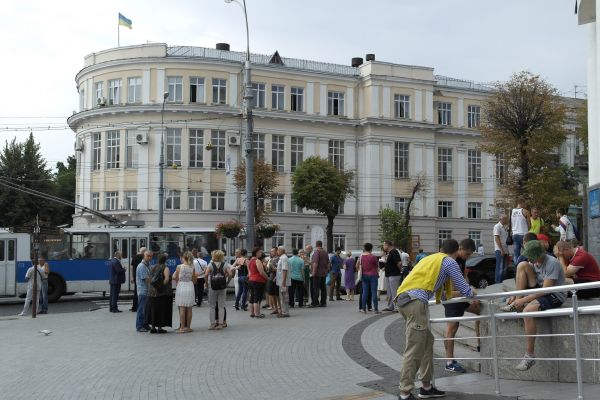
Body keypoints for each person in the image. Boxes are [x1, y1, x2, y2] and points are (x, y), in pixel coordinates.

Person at [396, 239, 475, 400]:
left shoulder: (431, 259)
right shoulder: (449, 261)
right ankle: (404, 392)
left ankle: (426, 387)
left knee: (426, 343)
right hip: (415, 301)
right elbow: (463, 286)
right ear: (455, 251)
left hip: (405, 299)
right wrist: (473, 291)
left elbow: (441, 290)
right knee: (414, 349)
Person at [500, 240, 566, 371]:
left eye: (530, 256)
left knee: (528, 311)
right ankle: (516, 304)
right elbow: (530, 281)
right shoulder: (534, 261)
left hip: (554, 295)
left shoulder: (552, 263)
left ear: (538, 255)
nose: (529, 258)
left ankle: (529, 356)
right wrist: (517, 297)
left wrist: (524, 300)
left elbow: (545, 291)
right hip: (541, 289)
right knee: (522, 265)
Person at [443, 239, 481, 373]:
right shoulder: (449, 260)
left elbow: (463, 275)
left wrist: (469, 291)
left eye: (469, 254)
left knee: (480, 311)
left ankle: (480, 344)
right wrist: (468, 293)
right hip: (452, 297)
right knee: (451, 328)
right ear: (459, 248)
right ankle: (449, 362)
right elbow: (450, 282)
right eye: (466, 253)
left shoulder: (461, 259)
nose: (467, 256)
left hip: (461, 296)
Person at [205, 250, 234, 329]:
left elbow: (206, 274)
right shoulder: (225, 265)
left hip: (212, 287)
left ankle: (212, 324)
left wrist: (206, 283)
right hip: (222, 287)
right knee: (221, 306)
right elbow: (231, 274)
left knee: (212, 306)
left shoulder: (210, 265)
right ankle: (221, 324)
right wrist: (227, 282)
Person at [148, 253, 172, 333]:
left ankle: (153, 327)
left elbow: (150, 279)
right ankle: (159, 328)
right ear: (165, 260)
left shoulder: (152, 267)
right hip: (160, 292)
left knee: (153, 309)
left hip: (151, 292)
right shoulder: (165, 268)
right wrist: (161, 286)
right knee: (160, 310)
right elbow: (166, 279)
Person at [173, 251, 197, 333]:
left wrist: (179, 284)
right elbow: (194, 280)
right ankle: (188, 327)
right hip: (190, 286)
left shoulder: (179, 267)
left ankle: (182, 327)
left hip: (181, 286)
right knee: (189, 308)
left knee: (182, 308)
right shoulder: (192, 267)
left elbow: (176, 278)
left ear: (184, 258)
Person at [358, 242, 380, 314]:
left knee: (365, 292)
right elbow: (377, 267)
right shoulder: (373, 257)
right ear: (371, 248)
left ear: (364, 248)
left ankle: (364, 309)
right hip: (373, 275)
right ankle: (376, 309)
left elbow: (360, 266)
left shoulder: (361, 256)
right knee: (374, 292)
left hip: (364, 275)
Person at [135, 250, 153, 332]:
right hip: (143, 291)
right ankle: (139, 326)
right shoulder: (142, 266)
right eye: (147, 256)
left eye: (150, 256)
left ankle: (145, 324)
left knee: (146, 309)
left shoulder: (148, 265)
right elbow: (146, 279)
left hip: (147, 290)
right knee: (141, 309)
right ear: (144, 256)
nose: (149, 258)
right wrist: (154, 282)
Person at [248, 247, 268, 318]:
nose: (261, 253)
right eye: (260, 252)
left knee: (252, 297)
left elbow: (249, 272)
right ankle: (257, 313)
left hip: (251, 280)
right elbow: (261, 272)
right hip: (258, 281)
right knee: (257, 298)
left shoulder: (250, 260)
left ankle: (252, 313)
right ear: (256, 253)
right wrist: (267, 278)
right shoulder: (257, 261)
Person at [382, 240, 402, 312]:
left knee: (394, 292)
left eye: (384, 245)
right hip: (389, 274)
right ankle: (390, 306)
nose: (383, 247)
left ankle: (396, 307)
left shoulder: (394, 251)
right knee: (389, 292)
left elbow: (399, 263)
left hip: (394, 274)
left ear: (388, 245)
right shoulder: (389, 253)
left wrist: (400, 270)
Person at [309, 240, 329, 307]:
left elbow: (315, 263)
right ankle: (323, 302)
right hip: (324, 273)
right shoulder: (325, 252)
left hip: (317, 273)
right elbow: (328, 263)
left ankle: (315, 302)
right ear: (321, 245)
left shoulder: (317, 252)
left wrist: (313, 272)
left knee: (315, 288)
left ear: (316, 245)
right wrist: (326, 270)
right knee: (323, 288)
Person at [493, 215, 509, 285]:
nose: (507, 221)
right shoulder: (497, 226)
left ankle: (502, 282)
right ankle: (498, 283)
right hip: (500, 250)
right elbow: (497, 238)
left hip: (505, 250)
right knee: (500, 268)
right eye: (506, 219)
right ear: (502, 219)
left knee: (504, 268)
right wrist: (501, 250)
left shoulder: (504, 228)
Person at [130, 247, 146, 312]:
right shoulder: (143, 258)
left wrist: (132, 277)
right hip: (141, 276)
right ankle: (139, 307)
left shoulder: (134, 257)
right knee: (141, 292)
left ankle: (134, 307)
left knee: (136, 292)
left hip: (135, 276)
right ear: (144, 252)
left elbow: (131, 267)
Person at [276, 246, 291, 318]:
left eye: (278, 250)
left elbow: (285, 270)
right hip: (281, 281)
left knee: (284, 297)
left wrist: (284, 281)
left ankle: (285, 312)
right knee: (283, 297)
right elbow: (280, 270)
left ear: (281, 251)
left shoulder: (284, 258)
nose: (277, 251)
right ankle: (283, 311)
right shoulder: (282, 258)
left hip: (283, 281)